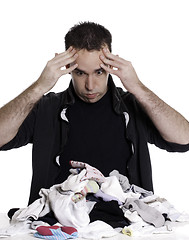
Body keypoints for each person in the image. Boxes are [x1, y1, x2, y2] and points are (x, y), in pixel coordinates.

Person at [0, 22, 189, 206]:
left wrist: (137, 88)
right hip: (59, 227)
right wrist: (39, 86)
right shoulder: (46, 109)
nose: (90, 86)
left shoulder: (132, 106)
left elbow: (184, 139)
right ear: (67, 68)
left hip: (125, 228)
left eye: (99, 72)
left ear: (110, 66)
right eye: (81, 73)